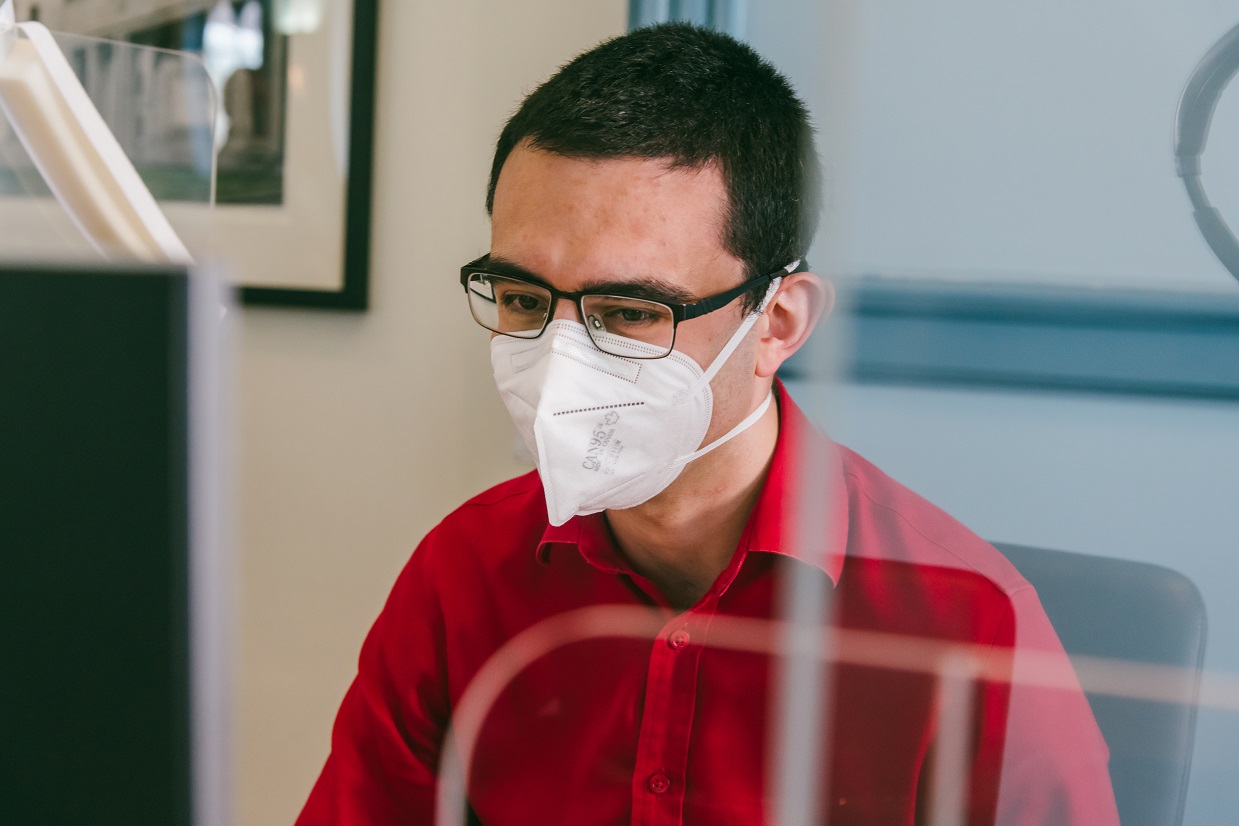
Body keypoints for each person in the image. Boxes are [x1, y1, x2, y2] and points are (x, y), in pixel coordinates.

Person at [297, 23, 1119, 825]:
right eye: (521, 300)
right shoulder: (464, 573)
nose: (559, 360)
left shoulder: (965, 623)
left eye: (627, 311)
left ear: (776, 323)